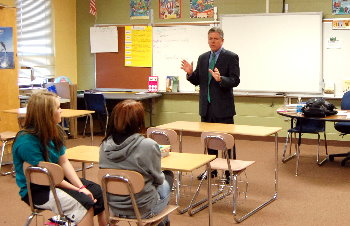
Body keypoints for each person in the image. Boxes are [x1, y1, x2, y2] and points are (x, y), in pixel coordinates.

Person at [12, 91, 106, 226]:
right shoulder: (26, 142)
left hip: (56, 178)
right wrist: (79, 190)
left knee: (97, 192)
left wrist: (81, 186)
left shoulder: (56, 130)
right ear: (46, 113)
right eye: (58, 108)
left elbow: (63, 161)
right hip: (37, 189)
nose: (61, 110)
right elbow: (48, 177)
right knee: (84, 203)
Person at [99, 100, 174, 226]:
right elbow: (158, 179)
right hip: (143, 208)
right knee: (168, 177)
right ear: (139, 121)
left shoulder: (104, 145)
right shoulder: (148, 145)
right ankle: (162, 222)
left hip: (113, 207)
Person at [181, 27, 240, 181]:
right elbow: (198, 80)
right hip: (206, 107)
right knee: (209, 140)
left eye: (215, 39)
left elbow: (235, 80)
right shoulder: (203, 58)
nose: (212, 41)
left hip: (223, 108)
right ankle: (211, 170)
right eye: (210, 39)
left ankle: (229, 172)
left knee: (227, 142)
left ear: (222, 40)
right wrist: (189, 73)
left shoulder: (231, 57)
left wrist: (221, 79)